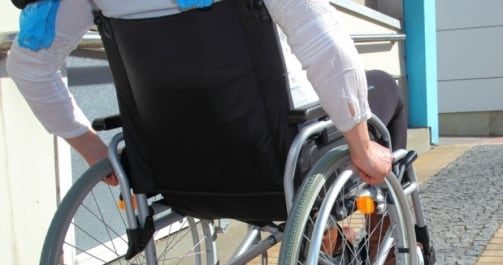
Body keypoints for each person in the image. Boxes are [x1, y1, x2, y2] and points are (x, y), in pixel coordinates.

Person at [7, 0, 405, 186]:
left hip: (170, 166)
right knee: (386, 90)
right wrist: (360, 143)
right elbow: (324, 44)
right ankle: (385, 220)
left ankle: (332, 241)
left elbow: (28, 67)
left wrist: (95, 153)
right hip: (273, 153)